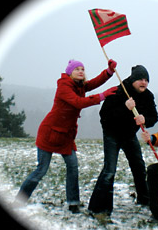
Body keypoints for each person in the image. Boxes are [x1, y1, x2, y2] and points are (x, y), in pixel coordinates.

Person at [14, 59, 118, 213]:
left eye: (82, 69)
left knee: (73, 167)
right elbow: (77, 102)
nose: (81, 71)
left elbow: (93, 83)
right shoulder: (64, 86)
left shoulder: (80, 86)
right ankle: (19, 200)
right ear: (70, 73)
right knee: (41, 170)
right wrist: (102, 96)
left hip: (66, 137)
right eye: (77, 69)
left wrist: (108, 72)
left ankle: (73, 203)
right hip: (49, 134)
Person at [88, 65, 158, 217]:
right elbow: (104, 116)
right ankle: (98, 208)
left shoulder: (148, 96)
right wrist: (124, 108)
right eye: (140, 79)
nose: (144, 83)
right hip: (112, 134)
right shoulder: (118, 91)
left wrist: (145, 119)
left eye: (146, 80)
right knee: (109, 170)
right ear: (133, 80)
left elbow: (154, 117)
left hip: (129, 135)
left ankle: (144, 200)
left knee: (139, 166)